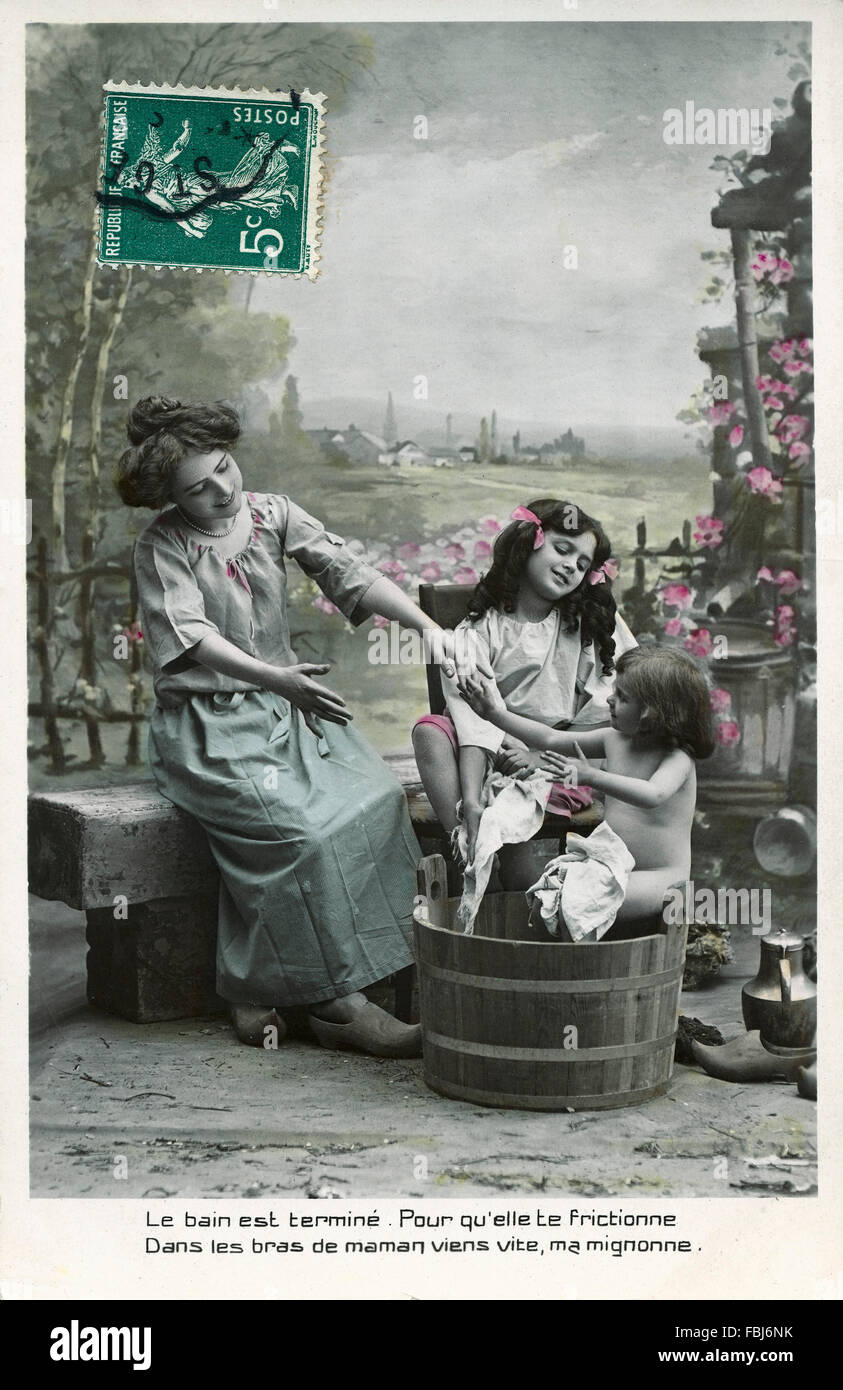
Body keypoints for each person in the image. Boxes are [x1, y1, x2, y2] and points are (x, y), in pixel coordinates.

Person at [117, 395, 477, 1057]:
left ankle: (288, 982)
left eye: (224, 467)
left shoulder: (272, 514)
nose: (222, 489)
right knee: (300, 834)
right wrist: (274, 675)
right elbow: (190, 638)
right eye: (198, 487)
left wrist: (428, 629)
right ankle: (337, 1002)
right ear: (169, 496)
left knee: (374, 804)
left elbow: (349, 572)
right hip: (207, 728)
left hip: (291, 708)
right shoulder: (162, 546)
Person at [411, 498, 637, 886]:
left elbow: (607, 713)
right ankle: (470, 845)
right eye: (562, 550)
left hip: (558, 753)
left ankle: (515, 899)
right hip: (484, 751)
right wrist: (474, 800)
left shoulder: (590, 626)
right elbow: (471, 725)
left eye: (583, 564)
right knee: (430, 732)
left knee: (513, 817)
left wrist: (540, 755)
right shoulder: (478, 630)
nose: (571, 566)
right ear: (528, 543)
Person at [460, 645, 715, 927]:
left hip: (660, 877)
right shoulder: (613, 739)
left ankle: (586, 965)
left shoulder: (677, 758)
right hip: (609, 865)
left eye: (622, 697)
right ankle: (568, 966)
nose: (609, 700)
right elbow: (549, 738)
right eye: (614, 691)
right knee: (553, 894)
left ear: (652, 713)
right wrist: (494, 714)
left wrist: (592, 777)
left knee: (579, 903)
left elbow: (653, 794)